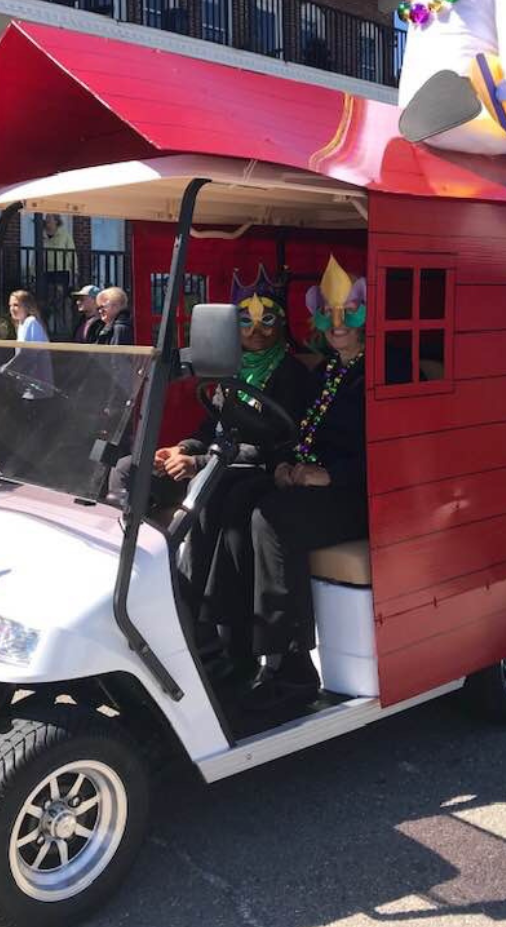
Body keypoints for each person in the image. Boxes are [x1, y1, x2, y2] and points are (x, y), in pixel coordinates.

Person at [202, 255, 368, 712]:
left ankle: (289, 664)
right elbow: (302, 432)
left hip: (362, 495)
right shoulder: (328, 371)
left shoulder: (383, 373)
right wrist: (288, 466)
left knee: (271, 518)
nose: (337, 325)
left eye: (349, 315)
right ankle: (231, 643)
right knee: (237, 499)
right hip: (317, 484)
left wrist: (330, 474)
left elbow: (394, 449)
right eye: (329, 316)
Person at [153, 267, 315, 638]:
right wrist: (183, 448)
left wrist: (197, 463)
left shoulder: (291, 374)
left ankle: (210, 622)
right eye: (244, 322)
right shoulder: (234, 369)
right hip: (222, 460)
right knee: (131, 470)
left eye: (266, 321)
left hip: (261, 467)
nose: (255, 331)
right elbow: (213, 427)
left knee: (220, 496)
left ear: (282, 324)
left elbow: (271, 443)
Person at [5, 289, 54, 397]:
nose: (12, 309)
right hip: (26, 386)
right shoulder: (21, 325)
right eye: (10, 305)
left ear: (26, 306)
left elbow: (29, 352)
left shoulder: (31, 322)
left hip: (37, 387)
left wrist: (9, 367)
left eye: (16, 305)